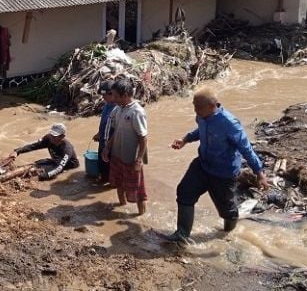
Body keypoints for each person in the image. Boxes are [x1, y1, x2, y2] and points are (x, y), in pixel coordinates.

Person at [165, 88, 269, 243]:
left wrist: (259, 173)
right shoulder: (202, 115)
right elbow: (200, 131)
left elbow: (246, 148)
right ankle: (182, 234)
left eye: (198, 107)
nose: (195, 110)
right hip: (202, 164)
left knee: (227, 211)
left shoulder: (230, 123)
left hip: (223, 173)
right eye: (194, 106)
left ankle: (228, 234)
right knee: (184, 192)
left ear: (212, 105)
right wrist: (185, 140)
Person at [101, 78, 148, 215]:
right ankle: (121, 206)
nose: (113, 98)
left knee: (138, 189)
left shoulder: (136, 112)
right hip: (117, 154)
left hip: (131, 158)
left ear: (125, 95)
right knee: (118, 183)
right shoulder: (118, 109)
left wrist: (139, 159)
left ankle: (140, 216)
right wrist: (107, 147)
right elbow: (116, 131)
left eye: (116, 96)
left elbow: (143, 138)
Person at [9, 123, 79, 180]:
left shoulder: (66, 148)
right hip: (55, 160)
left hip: (67, 165)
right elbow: (34, 146)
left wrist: (40, 177)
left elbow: (58, 168)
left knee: (37, 173)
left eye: (55, 136)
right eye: (51, 134)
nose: (52, 138)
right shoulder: (48, 138)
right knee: (35, 164)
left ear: (62, 136)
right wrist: (17, 151)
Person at [92, 80, 117, 183]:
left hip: (112, 145)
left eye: (105, 95)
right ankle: (103, 178)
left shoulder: (118, 108)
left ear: (112, 94)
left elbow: (118, 130)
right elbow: (104, 121)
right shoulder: (107, 104)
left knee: (112, 167)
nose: (103, 98)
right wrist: (99, 133)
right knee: (102, 164)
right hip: (103, 140)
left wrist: (108, 146)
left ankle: (112, 184)